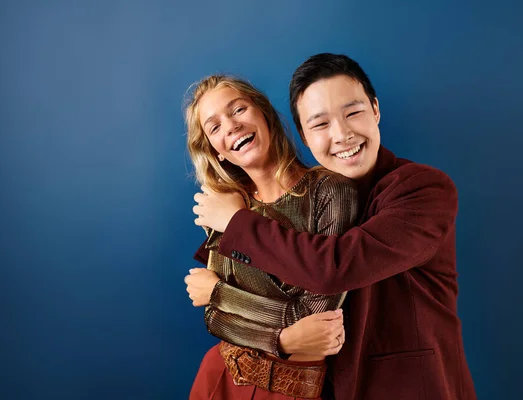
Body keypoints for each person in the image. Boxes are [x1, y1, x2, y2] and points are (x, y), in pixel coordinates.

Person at [192, 54, 477, 400]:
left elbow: (335, 267)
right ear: (304, 136)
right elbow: (235, 310)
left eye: (353, 112)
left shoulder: (422, 189)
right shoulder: (278, 201)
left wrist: (234, 237)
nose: (342, 135)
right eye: (321, 124)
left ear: (375, 109)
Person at [183, 74, 359, 399]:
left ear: (263, 114)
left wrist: (219, 293)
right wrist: (286, 337)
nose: (231, 126)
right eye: (215, 127)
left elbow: (315, 318)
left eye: (237, 110)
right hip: (219, 377)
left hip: (292, 387)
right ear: (216, 151)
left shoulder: (330, 192)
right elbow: (215, 320)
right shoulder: (227, 204)